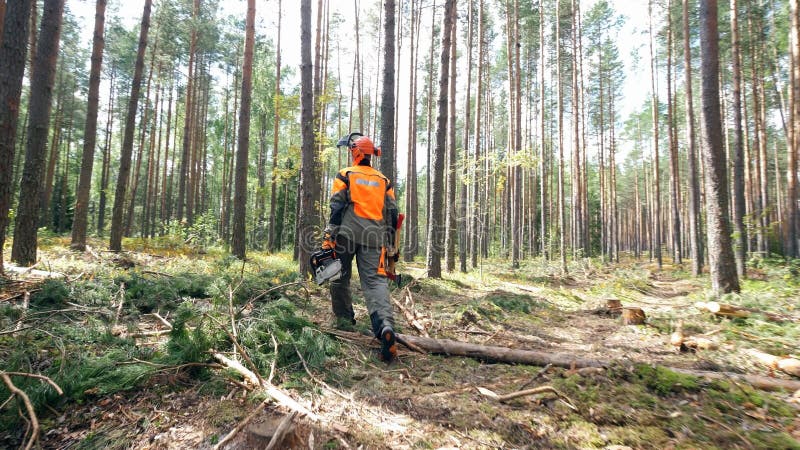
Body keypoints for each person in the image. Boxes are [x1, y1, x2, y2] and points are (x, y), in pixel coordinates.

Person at [321, 132, 399, 362]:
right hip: (375, 238)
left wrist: (329, 235)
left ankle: (345, 321)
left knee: (338, 276)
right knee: (375, 282)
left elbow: (336, 207)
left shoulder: (345, 175)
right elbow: (393, 214)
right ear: (370, 154)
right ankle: (385, 326)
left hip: (347, 233)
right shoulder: (384, 181)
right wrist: (392, 242)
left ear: (354, 152)